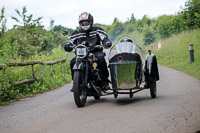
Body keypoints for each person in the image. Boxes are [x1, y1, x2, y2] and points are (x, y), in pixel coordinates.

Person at [64, 12, 112, 92]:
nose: (85, 23)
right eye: (83, 22)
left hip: (95, 52)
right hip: (81, 55)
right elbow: (70, 41)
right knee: (72, 62)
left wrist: (106, 42)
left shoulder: (97, 30)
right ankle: (76, 83)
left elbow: (104, 38)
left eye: (86, 21)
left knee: (101, 60)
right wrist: (67, 45)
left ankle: (105, 81)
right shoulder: (76, 33)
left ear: (91, 21)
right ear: (80, 23)